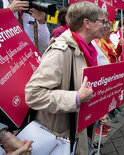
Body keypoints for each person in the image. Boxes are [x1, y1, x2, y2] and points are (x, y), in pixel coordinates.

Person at [25, 2, 106, 154]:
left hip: (79, 133)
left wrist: (96, 110)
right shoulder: (60, 51)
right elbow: (33, 94)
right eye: (102, 21)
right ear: (86, 23)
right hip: (60, 138)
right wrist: (75, 97)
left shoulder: (88, 49)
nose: (105, 25)